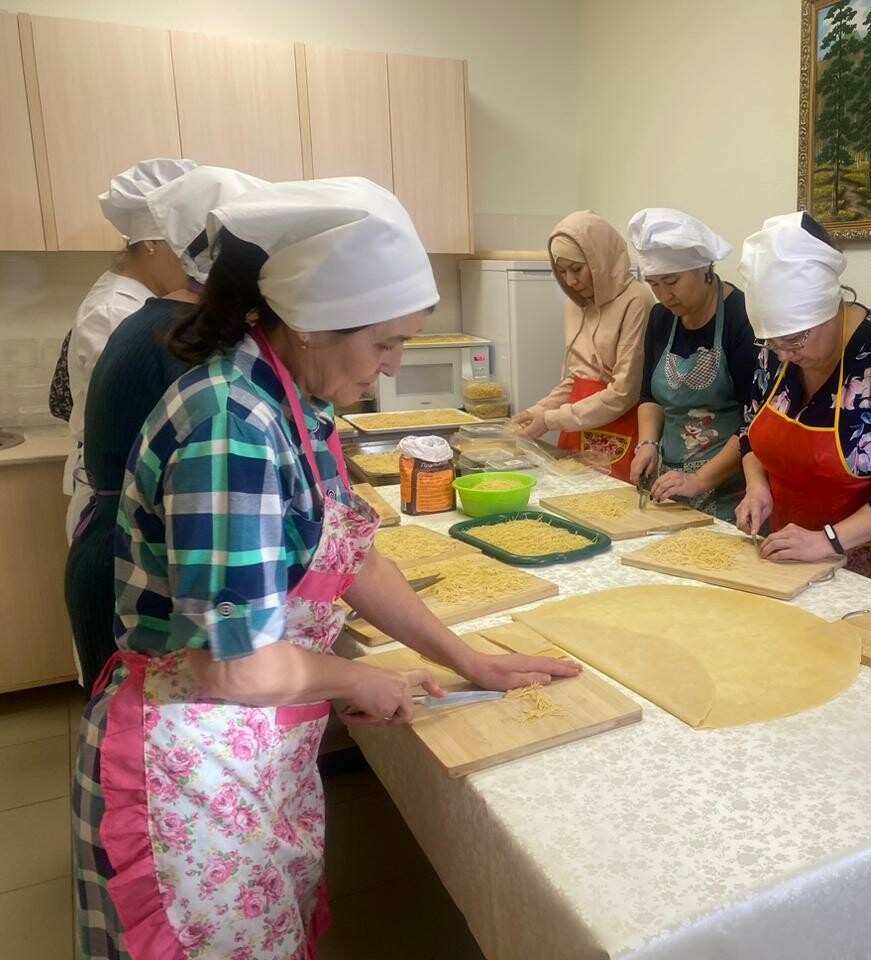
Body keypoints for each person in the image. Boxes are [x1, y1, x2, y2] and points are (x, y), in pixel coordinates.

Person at [72, 178, 579, 960]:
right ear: (308, 326)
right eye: (384, 344)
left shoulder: (292, 407)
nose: (389, 367)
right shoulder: (230, 430)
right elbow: (233, 670)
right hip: (195, 761)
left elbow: (353, 559)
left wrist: (471, 660)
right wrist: (360, 681)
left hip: (254, 749)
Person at [64, 165, 268, 690]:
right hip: (128, 559)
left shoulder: (162, 320)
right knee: (140, 732)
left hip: (124, 542)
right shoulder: (175, 338)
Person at [735, 212, 871, 598]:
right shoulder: (777, 353)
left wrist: (828, 541)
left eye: (794, 341)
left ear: (829, 307)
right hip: (789, 556)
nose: (783, 355)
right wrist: (756, 486)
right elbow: (749, 431)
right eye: (772, 343)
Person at [58, 158, 199, 541]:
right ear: (152, 242)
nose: (195, 267)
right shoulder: (116, 310)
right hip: (115, 504)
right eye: (186, 249)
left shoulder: (143, 297)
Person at [626, 208, 755, 522]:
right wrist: (647, 443)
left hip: (729, 487)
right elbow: (650, 396)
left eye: (672, 281)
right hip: (670, 481)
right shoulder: (660, 318)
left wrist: (701, 480)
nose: (664, 295)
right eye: (654, 284)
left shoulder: (743, 318)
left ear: (705, 268)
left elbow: (755, 422)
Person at [511, 210, 651, 481]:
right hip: (575, 426)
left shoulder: (636, 300)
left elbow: (624, 392)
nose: (571, 281)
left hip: (620, 428)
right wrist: (539, 410)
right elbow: (577, 379)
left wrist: (551, 419)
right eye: (561, 271)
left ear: (599, 260)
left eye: (577, 269)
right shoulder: (575, 305)